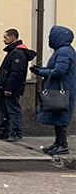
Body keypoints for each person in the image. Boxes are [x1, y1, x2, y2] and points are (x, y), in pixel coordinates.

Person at [30, 25, 76, 155]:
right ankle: (58, 143)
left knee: (61, 118)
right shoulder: (63, 51)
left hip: (62, 91)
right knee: (57, 117)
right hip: (60, 90)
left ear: (58, 37)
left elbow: (59, 71)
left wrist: (40, 72)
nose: (49, 40)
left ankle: (62, 145)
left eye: (51, 37)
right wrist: (41, 70)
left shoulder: (64, 52)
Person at [0, 29, 35, 142]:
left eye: (6, 37)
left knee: (13, 109)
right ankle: (4, 131)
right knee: (4, 109)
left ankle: (16, 132)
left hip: (10, 88)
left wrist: (9, 88)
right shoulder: (14, 51)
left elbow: (16, 73)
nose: (4, 40)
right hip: (6, 86)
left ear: (13, 37)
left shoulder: (17, 53)